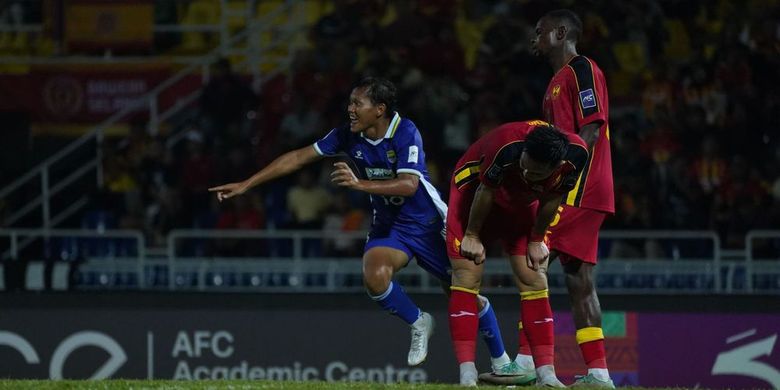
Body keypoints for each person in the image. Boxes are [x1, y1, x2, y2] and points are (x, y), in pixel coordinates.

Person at [209, 77, 519, 372]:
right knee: (375, 278)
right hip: (389, 225)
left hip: (428, 223)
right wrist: (247, 184)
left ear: (380, 109)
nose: (350, 109)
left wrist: (359, 185)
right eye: (350, 103)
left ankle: (501, 360)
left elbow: (409, 185)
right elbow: (299, 158)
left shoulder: (405, 131)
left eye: (358, 103)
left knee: (461, 294)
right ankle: (418, 321)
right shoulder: (347, 134)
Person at [447, 120, 588, 387]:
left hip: (521, 202)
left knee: (534, 277)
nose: (525, 172)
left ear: (556, 167)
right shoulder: (507, 147)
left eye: (534, 173)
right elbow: (485, 189)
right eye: (523, 165)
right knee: (466, 275)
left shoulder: (576, 156)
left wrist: (536, 239)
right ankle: (467, 376)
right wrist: (473, 235)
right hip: (474, 193)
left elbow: (553, 198)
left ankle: (547, 376)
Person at [530, 9, 616, 388]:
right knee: (579, 280)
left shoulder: (581, 69)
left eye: (540, 31)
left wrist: (563, 180)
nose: (534, 37)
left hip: (579, 187)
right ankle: (599, 375)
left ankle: (528, 365)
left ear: (561, 32)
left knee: (530, 257)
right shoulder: (554, 82)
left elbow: (592, 128)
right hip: (584, 188)